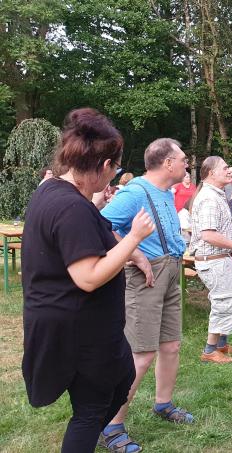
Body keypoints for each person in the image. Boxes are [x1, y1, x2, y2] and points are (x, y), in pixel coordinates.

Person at [21, 108, 155, 452]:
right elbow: (89, 277)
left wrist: (124, 247)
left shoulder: (52, 190)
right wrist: (134, 238)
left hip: (81, 325)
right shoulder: (71, 209)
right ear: (105, 166)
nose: (112, 180)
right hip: (79, 330)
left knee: (123, 375)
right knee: (91, 410)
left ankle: (92, 426)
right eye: (114, 171)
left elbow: (82, 234)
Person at [99, 138, 194, 451]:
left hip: (170, 273)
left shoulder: (165, 191)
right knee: (141, 353)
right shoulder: (136, 191)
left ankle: (163, 403)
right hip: (145, 278)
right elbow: (101, 224)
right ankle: (111, 423)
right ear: (167, 163)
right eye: (182, 160)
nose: (186, 165)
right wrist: (134, 253)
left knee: (171, 345)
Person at [190, 156, 232, 364]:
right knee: (223, 303)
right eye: (225, 168)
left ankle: (222, 345)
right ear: (211, 173)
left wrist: (229, 251)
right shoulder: (208, 197)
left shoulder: (217, 194)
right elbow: (208, 235)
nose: (229, 170)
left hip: (221, 258)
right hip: (213, 261)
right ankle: (209, 350)